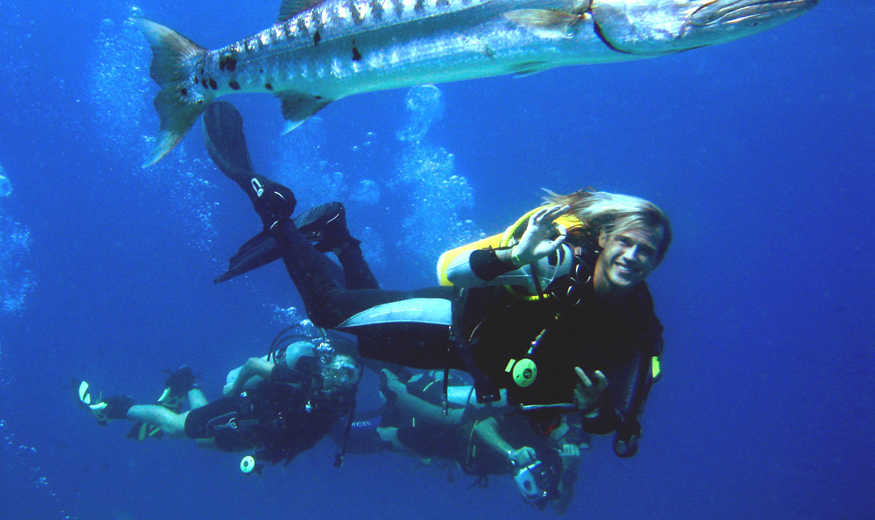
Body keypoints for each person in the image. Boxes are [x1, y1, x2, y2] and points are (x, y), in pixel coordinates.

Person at [205, 101, 669, 457]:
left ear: (656, 263)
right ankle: (274, 210)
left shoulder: (639, 331)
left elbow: (617, 427)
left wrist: (594, 407)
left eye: (646, 251)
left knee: (360, 342)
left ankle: (336, 235)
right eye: (626, 242)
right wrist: (514, 256)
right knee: (330, 314)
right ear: (606, 239)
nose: (632, 256)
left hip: (464, 361)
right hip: (448, 321)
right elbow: (450, 270)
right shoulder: (560, 264)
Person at [74, 325, 362, 472]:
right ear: (328, 365)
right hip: (240, 411)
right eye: (344, 370)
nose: (348, 379)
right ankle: (114, 408)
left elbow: (307, 436)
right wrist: (235, 391)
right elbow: (253, 364)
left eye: (355, 374)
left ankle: (186, 382)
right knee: (175, 428)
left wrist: (267, 456)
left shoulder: (338, 405)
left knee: (200, 440)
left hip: (255, 434)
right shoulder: (301, 379)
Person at [340, 368, 587, 512]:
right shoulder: (537, 418)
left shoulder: (558, 460)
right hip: (452, 423)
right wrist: (511, 452)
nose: (564, 436)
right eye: (564, 426)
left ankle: (332, 423)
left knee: (381, 438)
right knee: (393, 391)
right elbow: (482, 425)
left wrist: (569, 472)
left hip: (447, 448)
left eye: (573, 435)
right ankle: (361, 358)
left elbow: (558, 508)